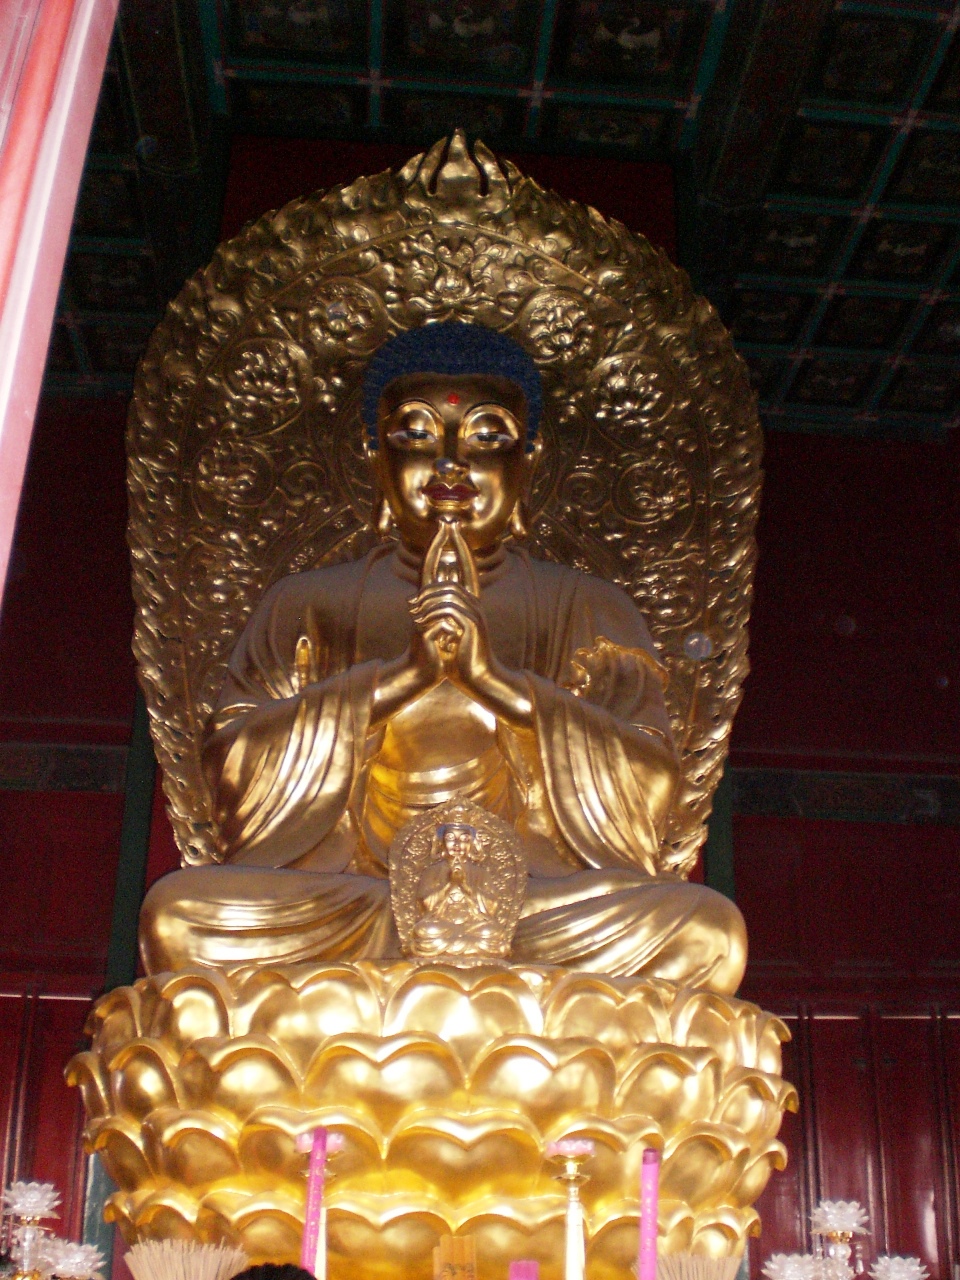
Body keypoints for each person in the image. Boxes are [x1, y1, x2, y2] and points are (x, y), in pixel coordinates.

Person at [140, 322, 746, 990]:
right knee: (178, 918)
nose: (452, 463)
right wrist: (399, 681)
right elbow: (233, 770)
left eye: (488, 437)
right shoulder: (306, 603)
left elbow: (650, 786)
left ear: (528, 461)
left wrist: (500, 685)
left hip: (534, 909)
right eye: (416, 435)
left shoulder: (588, 605)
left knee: (705, 931)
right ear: (375, 457)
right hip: (354, 903)